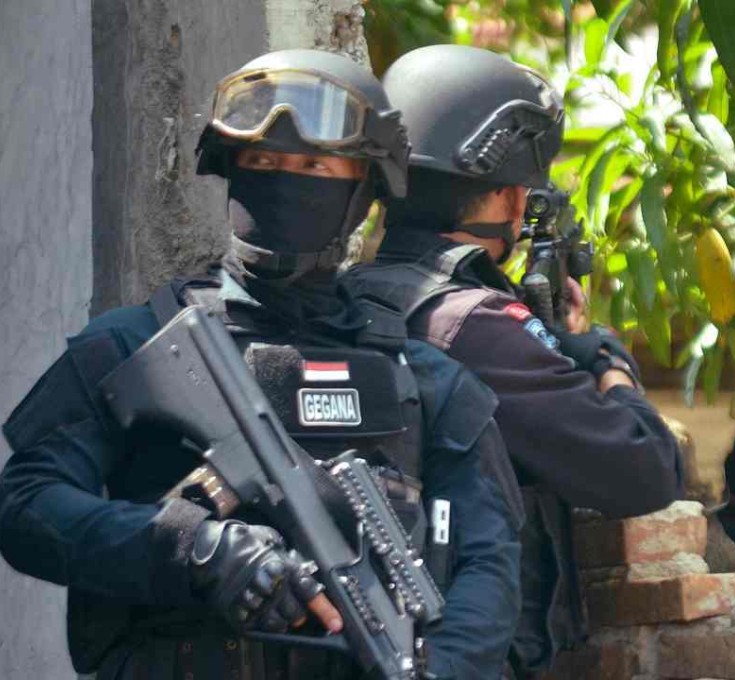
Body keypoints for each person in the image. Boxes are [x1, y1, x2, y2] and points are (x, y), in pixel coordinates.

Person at [0, 49, 521, 680]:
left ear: (365, 189)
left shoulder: (429, 381)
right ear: (232, 170)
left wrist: (445, 670)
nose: (285, 181)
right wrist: (196, 549)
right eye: (264, 162)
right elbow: (27, 506)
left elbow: (489, 565)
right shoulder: (131, 344)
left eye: (312, 165)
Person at [343, 45, 686, 678]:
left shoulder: (349, 297)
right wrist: (604, 358)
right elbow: (647, 468)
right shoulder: (476, 328)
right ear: (505, 199)